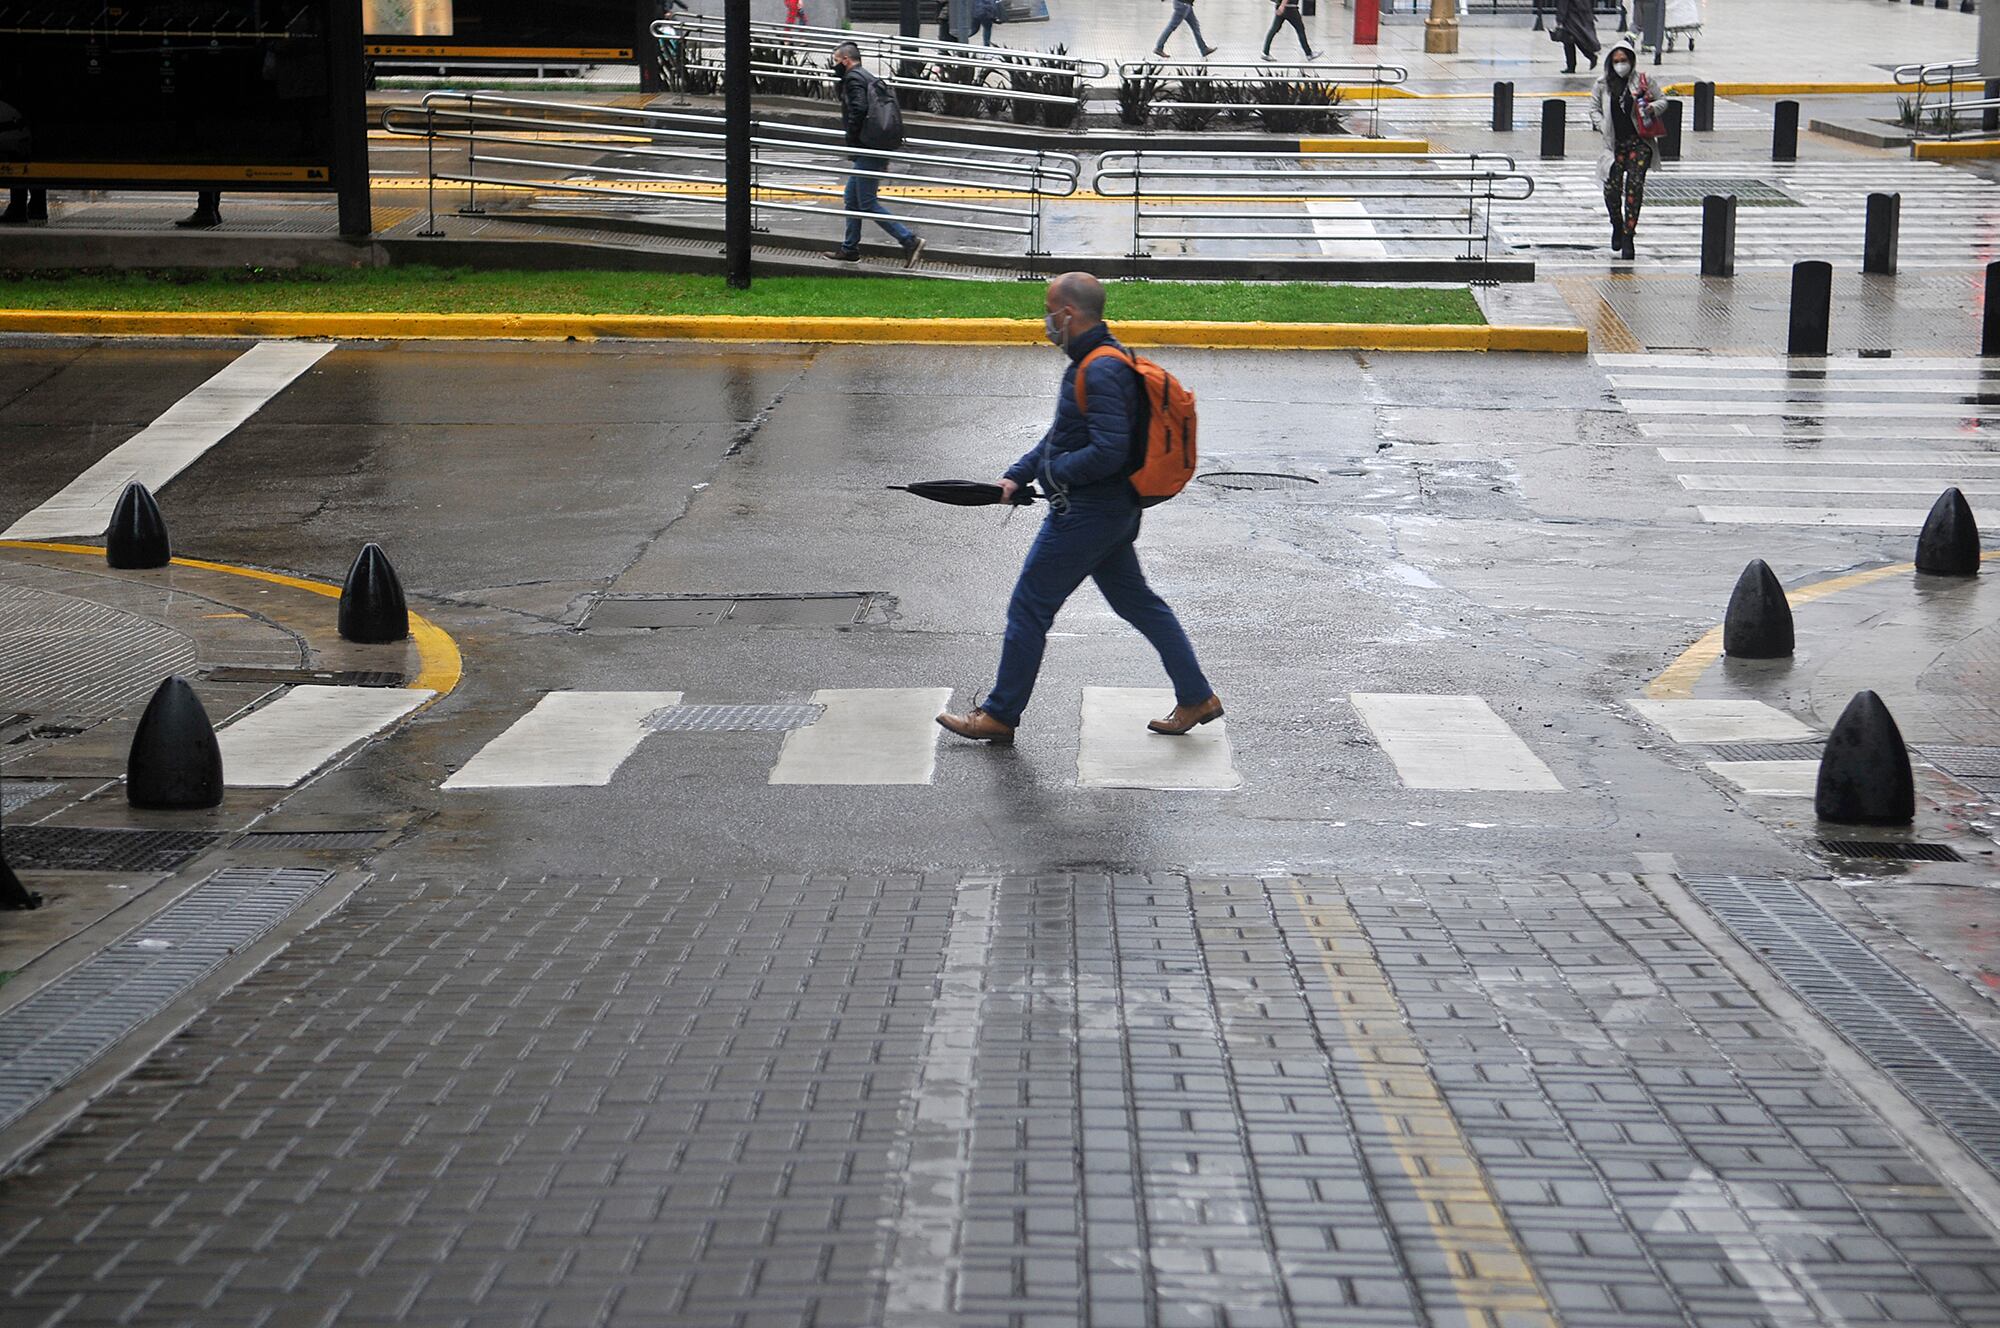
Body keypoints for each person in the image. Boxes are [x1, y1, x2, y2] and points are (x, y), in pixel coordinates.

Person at [937, 272, 1223, 746]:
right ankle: (1197, 697)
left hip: (1089, 513)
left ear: (1067, 314)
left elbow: (1108, 450)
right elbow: (1062, 436)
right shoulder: (1095, 361)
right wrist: (1018, 473)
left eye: (1049, 311)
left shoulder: (1100, 368)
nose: (1045, 321)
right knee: (1139, 604)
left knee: (1029, 607)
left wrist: (1053, 476)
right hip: (1111, 512)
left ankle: (999, 713)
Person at [825, 42, 925, 267]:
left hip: (867, 147)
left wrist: (852, 137)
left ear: (845, 61)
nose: (834, 67)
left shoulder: (853, 79)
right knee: (852, 198)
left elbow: (859, 109)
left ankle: (909, 241)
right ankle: (850, 249)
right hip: (874, 145)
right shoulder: (868, 77)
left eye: (835, 62)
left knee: (867, 202)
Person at [1591, 35, 1663, 261]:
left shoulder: (1643, 81)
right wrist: (1602, 125)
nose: (1620, 64)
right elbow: (1593, 108)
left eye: (1624, 60)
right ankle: (1617, 224)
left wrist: (1651, 108)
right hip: (1614, 145)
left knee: (1635, 187)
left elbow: (1663, 100)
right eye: (1616, 60)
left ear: (1631, 61)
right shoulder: (1602, 84)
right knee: (1611, 188)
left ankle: (1629, 235)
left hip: (1639, 143)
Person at [1550, 0, 1599, 73]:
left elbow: (1563, 4)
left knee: (1569, 42)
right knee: (1577, 39)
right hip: (1580, 14)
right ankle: (1589, 56)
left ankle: (1572, 66)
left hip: (1570, 16)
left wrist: (1559, 19)